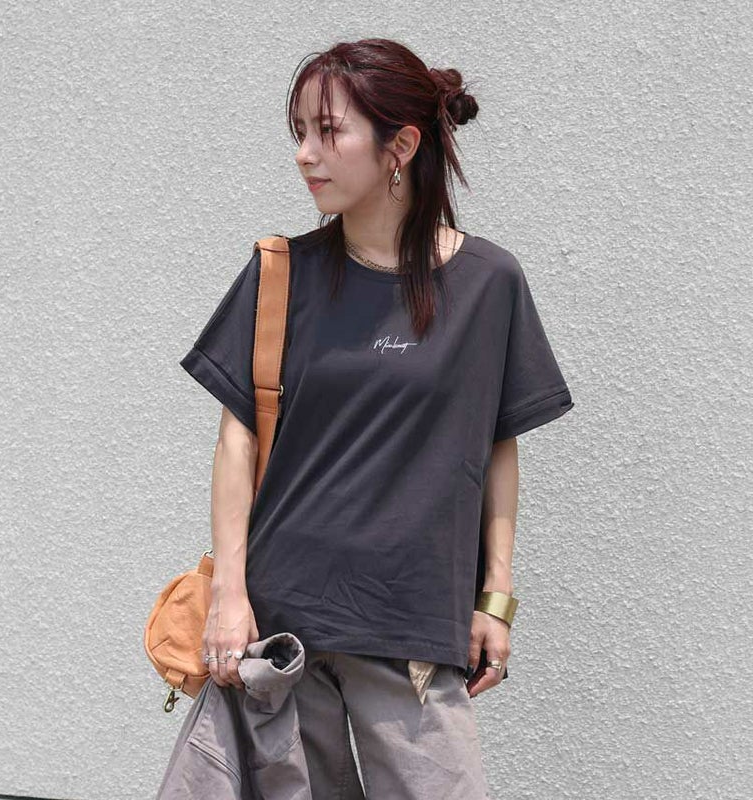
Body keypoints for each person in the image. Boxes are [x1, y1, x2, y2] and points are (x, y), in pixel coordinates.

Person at [179, 37, 574, 799]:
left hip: (413, 620)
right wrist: (229, 594)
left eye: (329, 131)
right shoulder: (280, 275)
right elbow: (237, 441)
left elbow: (498, 445)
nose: (305, 154)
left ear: (401, 146)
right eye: (299, 131)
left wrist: (496, 599)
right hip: (283, 628)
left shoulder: (488, 283)